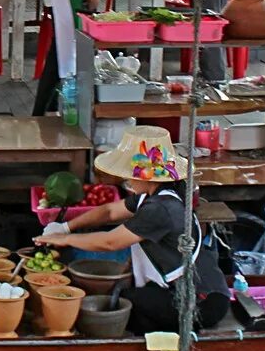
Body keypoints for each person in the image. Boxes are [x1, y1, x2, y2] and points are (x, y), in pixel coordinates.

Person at [34, 126, 231, 334]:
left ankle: (152, 347)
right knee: (129, 297)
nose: (127, 181)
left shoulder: (160, 208)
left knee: (129, 303)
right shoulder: (154, 196)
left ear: (146, 176)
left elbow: (109, 242)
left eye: (130, 175)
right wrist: (65, 226)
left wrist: (65, 239)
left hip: (204, 301)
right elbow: (109, 211)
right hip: (188, 292)